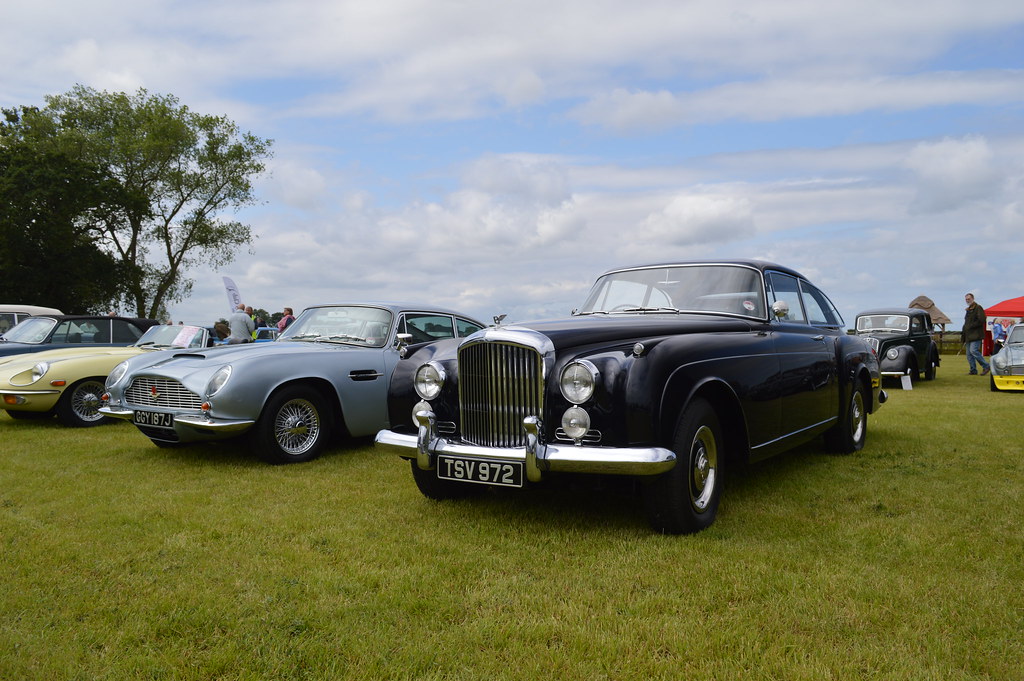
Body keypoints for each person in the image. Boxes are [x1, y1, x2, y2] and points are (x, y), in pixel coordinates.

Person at [963, 293, 989, 375]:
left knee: (973, 351)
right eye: (966, 299)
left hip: (976, 334)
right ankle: (973, 370)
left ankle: (986, 366)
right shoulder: (968, 310)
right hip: (968, 335)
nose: (967, 300)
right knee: (968, 354)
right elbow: (966, 323)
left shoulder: (978, 308)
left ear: (973, 298)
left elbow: (982, 320)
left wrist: (971, 326)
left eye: (969, 299)